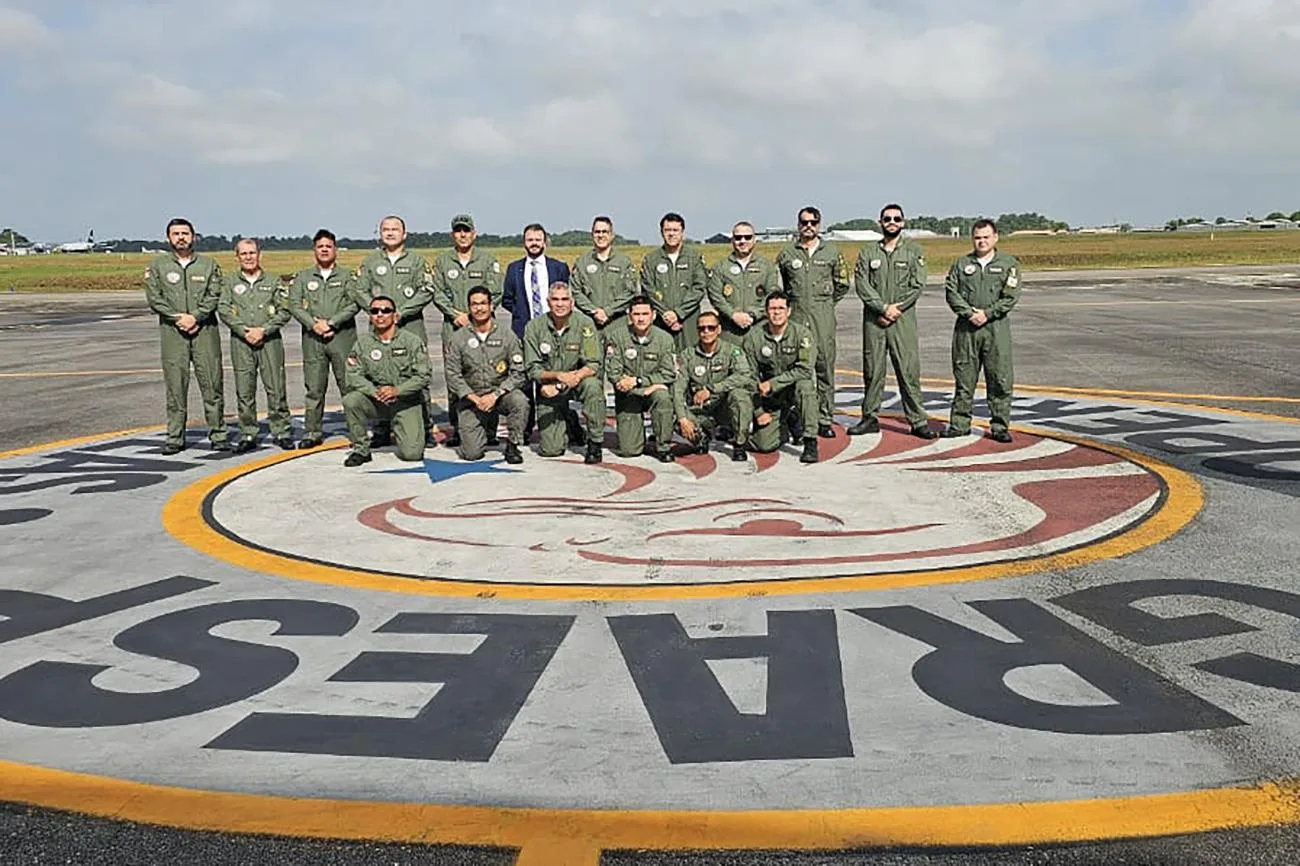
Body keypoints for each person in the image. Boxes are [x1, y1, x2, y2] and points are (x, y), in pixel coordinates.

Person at [848, 204, 937, 439]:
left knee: (908, 370)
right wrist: (882, 308)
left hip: (902, 320)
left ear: (903, 222)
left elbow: (917, 285)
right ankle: (870, 417)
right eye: (887, 218)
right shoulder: (869, 252)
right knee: (873, 370)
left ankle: (918, 420)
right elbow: (862, 283)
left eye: (897, 219)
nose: (892, 222)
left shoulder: (914, 251)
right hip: (874, 320)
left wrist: (896, 309)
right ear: (880, 222)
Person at [142, 217, 228, 454]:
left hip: (205, 332)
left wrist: (196, 317)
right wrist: (178, 318)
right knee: (175, 387)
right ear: (168, 238)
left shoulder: (209, 265)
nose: (181, 237)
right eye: (176, 233)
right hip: (173, 333)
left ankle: (218, 434)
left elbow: (214, 294)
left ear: (194, 237)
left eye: (185, 233)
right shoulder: (158, 267)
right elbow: (155, 298)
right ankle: (175, 437)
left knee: (212, 384)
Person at [350, 215, 436, 446]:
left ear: (404, 234)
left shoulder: (417, 262)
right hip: (378, 328)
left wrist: (402, 312)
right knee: (378, 372)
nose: (390, 233)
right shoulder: (369, 262)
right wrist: (378, 310)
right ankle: (381, 427)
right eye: (385, 229)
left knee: (418, 375)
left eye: (395, 229)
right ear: (380, 234)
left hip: (410, 325)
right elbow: (359, 290)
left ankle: (424, 427)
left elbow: (427, 289)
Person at [943, 219, 1021, 443]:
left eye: (986, 237)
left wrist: (987, 314)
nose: (982, 241)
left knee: (999, 378)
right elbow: (951, 292)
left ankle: (999, 426)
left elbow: (1010, 297)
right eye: (978, 237)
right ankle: (959, 423)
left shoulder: (1009, 264)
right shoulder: (961, 264)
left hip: (996, 329)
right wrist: (969, 313)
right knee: (964, 379)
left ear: (995, 237)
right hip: (966, 330)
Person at [775, 206, 849, 438]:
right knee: (794, 368)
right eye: (804, 222)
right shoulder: (787, 254)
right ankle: (795, 417)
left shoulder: (832, 252)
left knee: (824, 367)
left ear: (819, 225)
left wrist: (825, 304)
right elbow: (781, 287)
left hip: (822, 318)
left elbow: (842, 283)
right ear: (798, 225)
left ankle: (824, 418)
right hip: (796, 318)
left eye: (813, 222)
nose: (809, 226)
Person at [430, 213, 504, 448]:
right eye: (458, 231)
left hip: (483, 328)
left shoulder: (488, 260)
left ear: (474, 233)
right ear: (453, 234)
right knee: (455, 379)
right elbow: (437, 293)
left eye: (466, 230)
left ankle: (489, 430)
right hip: (453, 328)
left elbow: (496, 292)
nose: (462, 235)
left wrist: (474, 316)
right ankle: (459, 428)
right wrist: (456, 315)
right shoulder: (442, 262)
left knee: (487, 375)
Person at [217, 238, 293, 452]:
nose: (249, 257)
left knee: (276, 388)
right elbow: (223, 309)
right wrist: (244, 331)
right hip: (241, 342)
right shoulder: (230, 282)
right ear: (237, 257)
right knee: (245, 390)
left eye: (252, 253)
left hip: (270, 341)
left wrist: (264, 330)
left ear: (260, 255)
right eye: (244, 254)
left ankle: (281, 431)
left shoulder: (274, 280)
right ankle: (248, 433)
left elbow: (284, 310)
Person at [287, 228, 360, 449]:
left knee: (349, 385)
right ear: (314, 250)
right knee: (314, 388)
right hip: (313, 340)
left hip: (342, 338)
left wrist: (332, 323)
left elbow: (354, 303)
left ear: (335, 249)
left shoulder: (348, 276)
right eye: (320, 247)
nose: (325, 250)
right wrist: (314, 324)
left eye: (328, 246)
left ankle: (356, 431)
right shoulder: (303, 277)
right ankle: (312, 431)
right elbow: (294, 305)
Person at [341, 295, 431, 466]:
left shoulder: (411, 342)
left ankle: (403, 429)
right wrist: (375, 392)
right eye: (374, 311)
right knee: (351, 401)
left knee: (412, 454)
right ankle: (361, 449)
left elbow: (423, 376)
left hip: (405, 401)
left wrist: (397, 390)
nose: (380, 315)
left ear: (395, 316)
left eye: (385, 311)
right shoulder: (363, 344)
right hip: (377, 400)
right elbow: (353, 375)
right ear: (370, 316)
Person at [523, 282, 606, 464]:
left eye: (564, 299)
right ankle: (570, 421)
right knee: (551, 450)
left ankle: (594, 443)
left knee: (593, 386)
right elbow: (532, 369)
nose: (560, 304)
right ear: (548, 302)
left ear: (572, 302)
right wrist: (557, 377)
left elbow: (593, 363)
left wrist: (567, 381)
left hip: (578, 381)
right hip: (549, 386)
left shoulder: (585, 323)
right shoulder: (534, 327)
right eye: (555, 299)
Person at [502, 223, 571, 441]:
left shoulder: (558, 267)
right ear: (524, 242)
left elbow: (565, 298)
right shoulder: (514, 269)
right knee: (525, 380)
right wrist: (524, 317)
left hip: (551, 330)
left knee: (551, 377)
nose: (534, 243)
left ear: (545, 241)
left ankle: (559, 423)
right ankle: (525, 425)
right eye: (530, 239)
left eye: (538, 239)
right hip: (524, 332)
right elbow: (507, 299)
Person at [444, 287, 528, 464]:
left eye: (483, 303)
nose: (479, 308)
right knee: (471, 454)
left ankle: (513, 445)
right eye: (474, 304)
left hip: (499, 394)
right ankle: (484, 426)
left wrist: (495, 395)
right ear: (469, 308)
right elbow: (453, 375)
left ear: (491, 306)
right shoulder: (458, 338)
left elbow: (518, 372)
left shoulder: (507, 335)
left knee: (519, 401)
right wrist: (475, 398)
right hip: (471, 398)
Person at [743, 291, 819, 464]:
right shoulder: (754, 337)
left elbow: (805, 369)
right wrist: (759, 411)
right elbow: (749, 376)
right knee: (763, 445)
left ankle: (810, 441)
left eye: (780, 308)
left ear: (789, 311)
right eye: (772, 309)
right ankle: (787, 422)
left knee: (805, 386)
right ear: (766, 311)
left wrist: (773, 383)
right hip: (770, 398)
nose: (776, 313)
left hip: (793, 391)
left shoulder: (802, 335)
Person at [604, 295, 678, 462]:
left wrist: (638, 382)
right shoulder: (616, 337)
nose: (641, 318)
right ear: (629, 316)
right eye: (636, 314)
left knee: (663, 397)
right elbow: (614, 373)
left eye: (645, 314)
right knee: (629, 451)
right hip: (628, 394)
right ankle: (636, 436)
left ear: (653, 315)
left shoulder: (665, 339)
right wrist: (644, 387)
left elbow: (669, 373)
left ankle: (663, 446)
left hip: (651, 391)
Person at [673, 311, 754, 462]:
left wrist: (712, 389)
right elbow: (678, 388)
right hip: (700, 409)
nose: (706, 332)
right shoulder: (687, 355)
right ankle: (701, 437)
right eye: (702, 329)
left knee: (740, 396)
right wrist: (683, 419)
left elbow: (743, 376)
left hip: (725, 408)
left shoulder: (732, 351)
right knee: (673, 412)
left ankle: (739, 443)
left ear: (719, 329)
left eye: (711, 328)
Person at [640, 212, 707, 350]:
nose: (671, 234)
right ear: (661, 232)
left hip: (688, 321)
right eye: (667, 230)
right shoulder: (651, 260)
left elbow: (699, 288)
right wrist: (666, 314)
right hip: (660, 321)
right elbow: (648, 290)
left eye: (675, 230)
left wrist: (678, 313)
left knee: (690, 361)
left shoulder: (694, 258)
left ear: (682, 232)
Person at [706, 221, 778, 345]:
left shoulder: (767, 267)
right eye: (738, 237)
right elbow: (715, 296)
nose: (742, 241)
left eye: (747, 237)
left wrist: (753, 315)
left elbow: (771, 295)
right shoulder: (720, 267)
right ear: (732, 240)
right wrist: (733, 315)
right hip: (729, 331)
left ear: (754, 240)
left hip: (758, 329)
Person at [570, 215, 637, 333]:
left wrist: (608, 311)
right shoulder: (582, 263)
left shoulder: (624, 262)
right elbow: (575, 291)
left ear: (612, 235)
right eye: (597, 232)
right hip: (589, 323)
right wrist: (594, 311)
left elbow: (631, 292)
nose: (601, 235)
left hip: (618, 324)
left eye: (605, 232)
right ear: (592, 235)